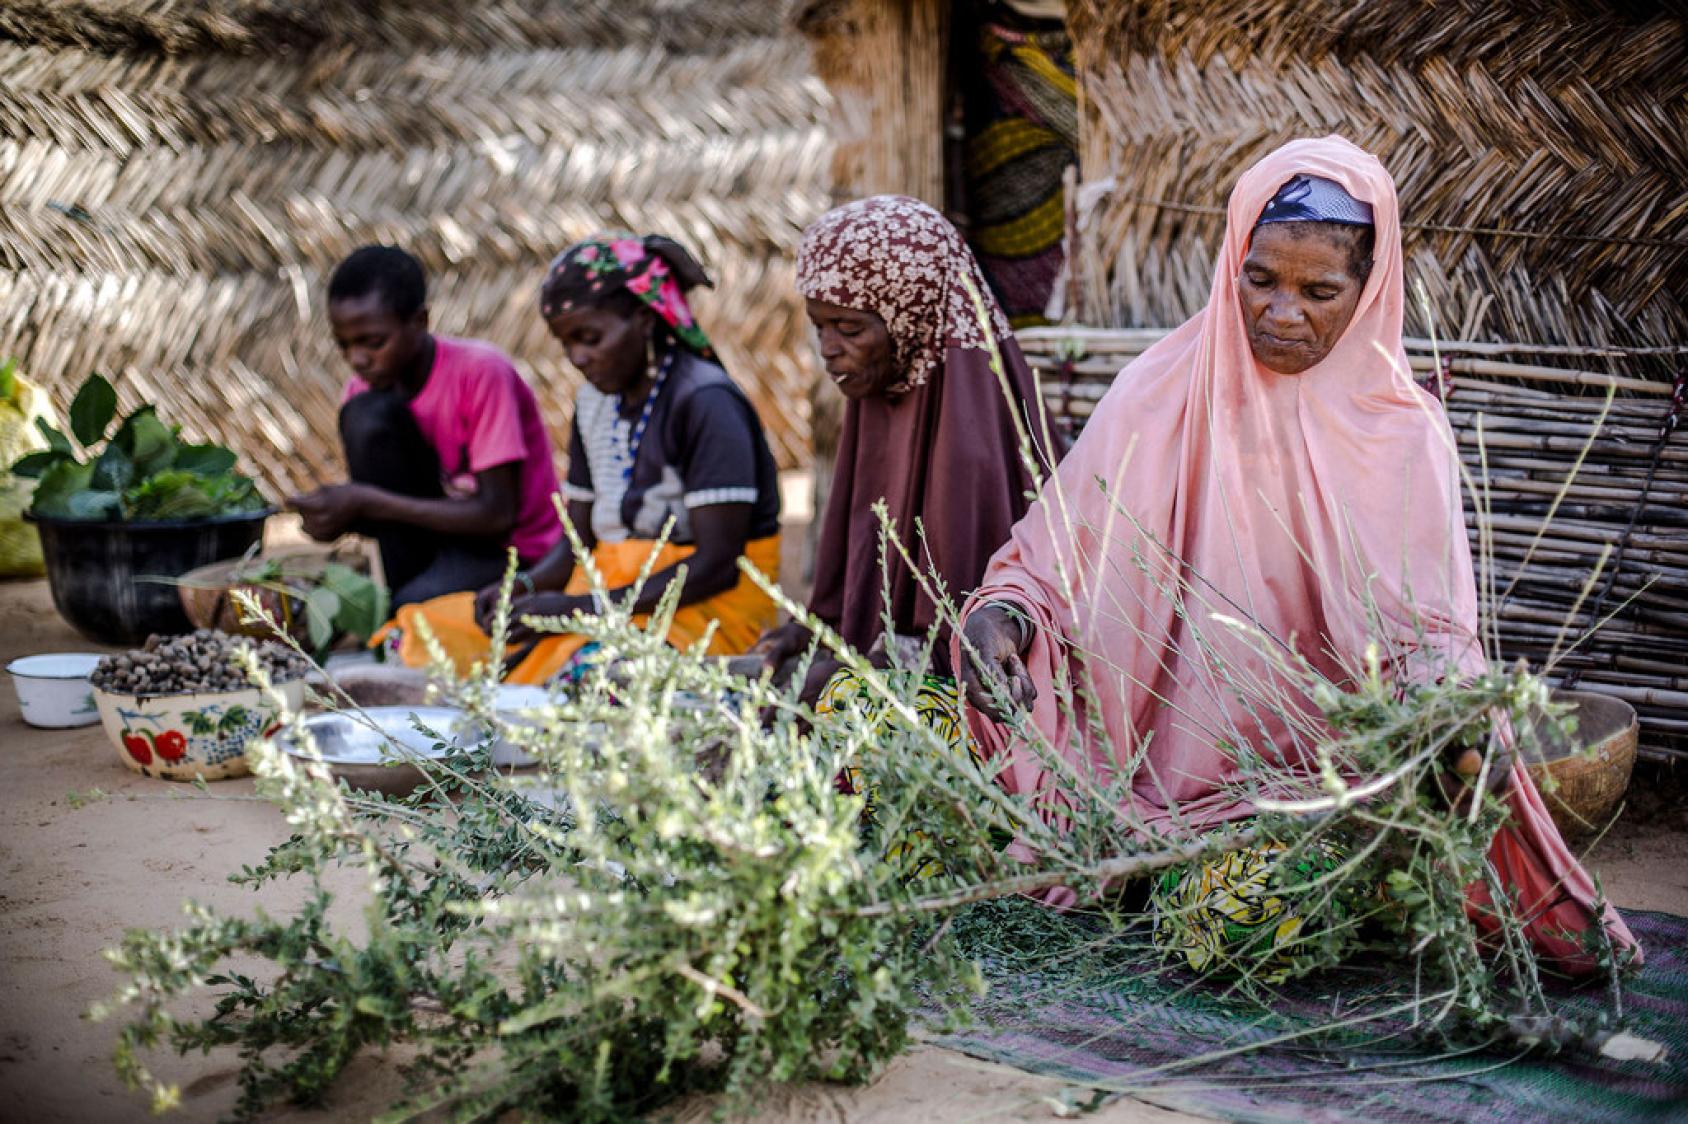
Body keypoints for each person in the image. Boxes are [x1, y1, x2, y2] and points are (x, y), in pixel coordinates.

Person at [957, 137, 1640, 975]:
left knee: (1229, 919)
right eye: (1261, 280)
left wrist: (1447, 721)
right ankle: (1136, 862)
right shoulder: (1159, 391)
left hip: (1313, 795)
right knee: (873, 715)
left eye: (1320, 291)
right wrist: (1001, 617)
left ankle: (1217, 881)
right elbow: (1052, 559)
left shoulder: (1401, 434)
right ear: (1231, 262)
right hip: (1126, 777)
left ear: (1369, 290)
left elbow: (1429, 637)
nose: (1283, 312)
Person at [378, 234, 783, 684]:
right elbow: (579, 541)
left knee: (594, 677)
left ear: (644, 318)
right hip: (605, 596)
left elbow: (716, 567)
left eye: (590, 338)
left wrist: (575, 611)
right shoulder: (596, 402)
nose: (577, 357)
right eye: (565, 342)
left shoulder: (705, 402)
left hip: (699, 609)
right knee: (419, 634)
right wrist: (524, 588)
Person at [749, 195, 1050, 741]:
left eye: (848, 328)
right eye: (819, 327)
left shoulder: (969, 443)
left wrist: (838, 674)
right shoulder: (884, 396)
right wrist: (809, 633)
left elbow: (962, 642)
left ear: (910, 317)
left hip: (977, 713)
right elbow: (863, 586)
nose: (828, 350)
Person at [287, 246, 562, 608]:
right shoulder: (361, 394)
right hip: (437, 543)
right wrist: (338, 515)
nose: (357, 359)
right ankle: (409, 591)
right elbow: (392, 509)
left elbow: (497, 516)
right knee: (364, 414)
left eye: (373, 342)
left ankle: (410, 596)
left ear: (420, 321)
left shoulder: (480, 372)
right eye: (344, 345)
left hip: (514, 554)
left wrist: (365, 502)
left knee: (413, 608)